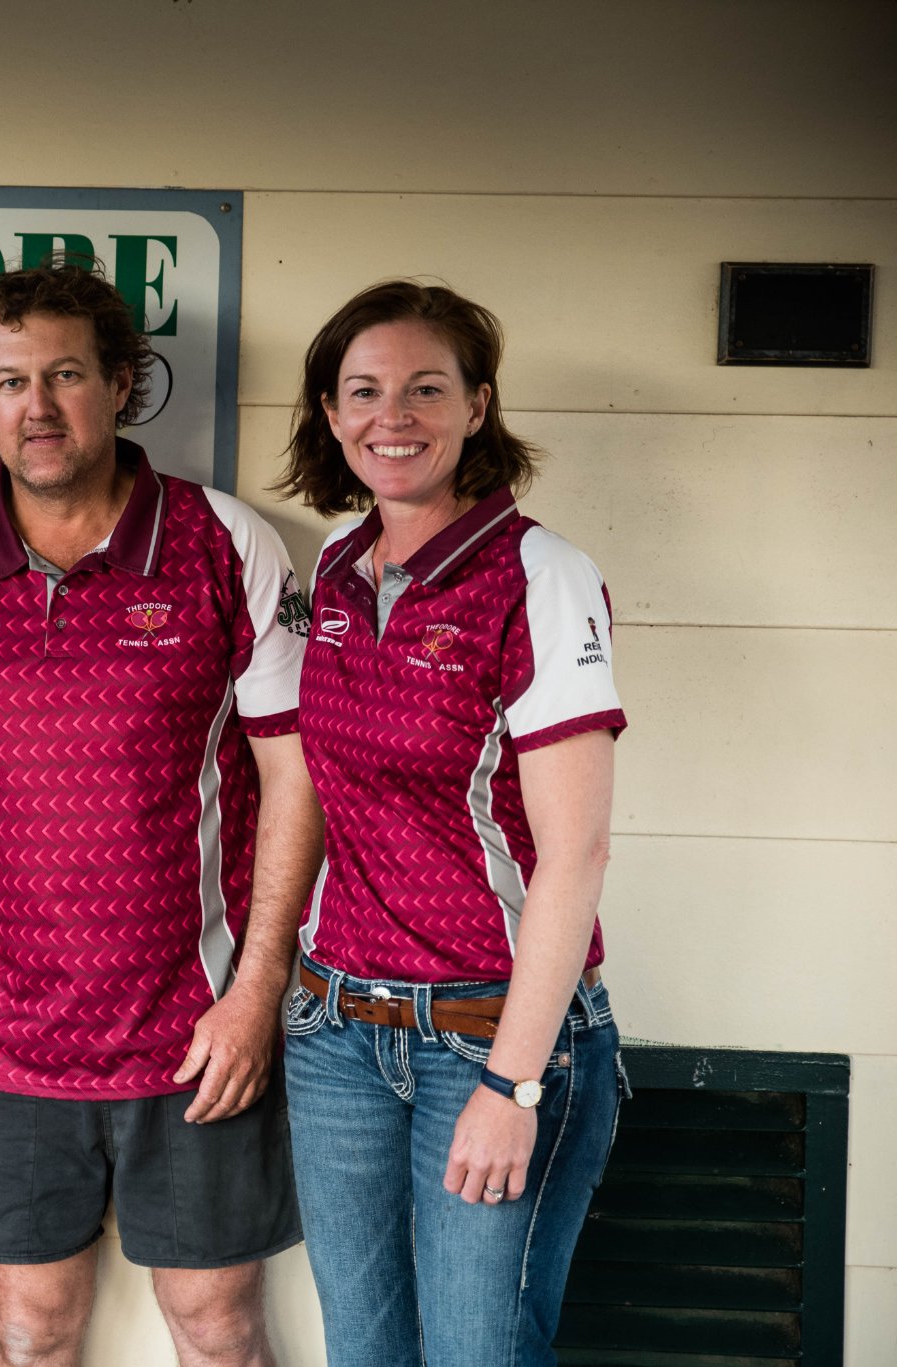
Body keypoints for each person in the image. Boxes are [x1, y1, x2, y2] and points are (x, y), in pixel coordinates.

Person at [0, 259, 321, 1367]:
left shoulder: (223, 545)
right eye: (9, 382)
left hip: (195, 1030)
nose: (35, 407)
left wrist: (256, 991)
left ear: (121, 384)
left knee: (214, 1322)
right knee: (30, 1327)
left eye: (63, 375)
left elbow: (293, 774)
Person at [273, 280, 626, 1366]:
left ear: (477, 404)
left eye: (426, 388)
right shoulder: (334, 566)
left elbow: (575, 855)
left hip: (486, 1031)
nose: (394, 416)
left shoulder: (536, 576)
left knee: (475, 1352)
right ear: (330, 415)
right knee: (363, 1351)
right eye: (364, 391)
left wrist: (510, 1082)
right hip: (334, 1032)